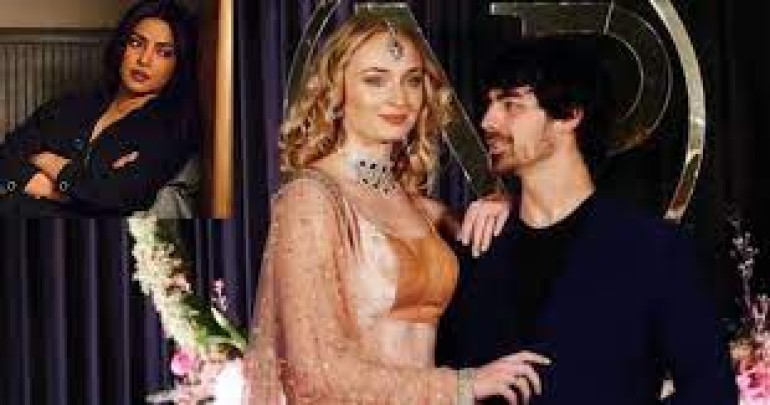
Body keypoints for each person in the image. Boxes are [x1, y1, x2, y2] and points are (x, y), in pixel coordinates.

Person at [242, 13, 551, 405]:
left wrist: (504, 202)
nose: (399, 98)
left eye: (412, 80)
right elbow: (313, 372)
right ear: (337, 91)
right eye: (376, 80)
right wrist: (462, 385)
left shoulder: (417, 206)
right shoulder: (310, 198)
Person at [436, 38, 738, 404]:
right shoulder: (477, 246)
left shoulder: (654, 250)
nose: (488, 121)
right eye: (490, 104)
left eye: (510, 105)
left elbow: (711, 391)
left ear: (569, 115)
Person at [0, 0, 199, 216]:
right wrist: (77, 190)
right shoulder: (69, 105)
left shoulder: (171, 128)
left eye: (164, 52)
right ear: (121, 47)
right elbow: (8, 154)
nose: (144, 60)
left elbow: (120, 195)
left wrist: (48, 162)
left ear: (179, 63)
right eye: (136, 43)